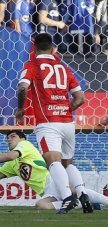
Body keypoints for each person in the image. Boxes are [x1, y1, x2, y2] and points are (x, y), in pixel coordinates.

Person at [15, 33, 89, 214]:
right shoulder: (64, 68)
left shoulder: (32, 65)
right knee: (67, 164)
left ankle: (67, 198)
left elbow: (23, 87)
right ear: (52, 48)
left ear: (34, 48)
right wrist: (65, 109)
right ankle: (82, 193)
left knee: (53, 162)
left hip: (48, 123)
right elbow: (80, 98)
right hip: (68, 123)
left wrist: (20, 109)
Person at [0, 130, 108, 210]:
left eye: (12, 136)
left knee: (71, 191)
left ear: (22, 139)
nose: (8, 139)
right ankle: (84, 201)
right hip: (47, 191)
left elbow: (10, 155)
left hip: (53, 181)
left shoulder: (25, 145)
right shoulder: (12, 165)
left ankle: (97, 200)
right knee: (41, 206)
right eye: (7, 138)